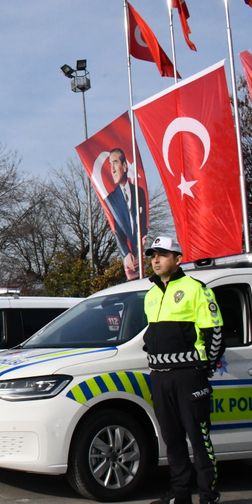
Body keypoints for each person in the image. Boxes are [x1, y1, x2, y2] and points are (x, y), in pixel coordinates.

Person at [143, 236, 224, 504]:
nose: (156, 260)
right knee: (173, 440)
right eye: (153, 255)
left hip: (189, 375)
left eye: (162, 254)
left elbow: (215, 332)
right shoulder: (150, 294)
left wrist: (204, 367)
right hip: (160, 376)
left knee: (199, 439)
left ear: (178, 259)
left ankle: (208, 496)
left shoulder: (196, 288)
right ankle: (180, 495)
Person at [105, 148, 149, 280]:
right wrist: (125, 253)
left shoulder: (139, 192)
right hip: (128, 256)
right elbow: (116, 230)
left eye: (115, 163)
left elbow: (143, 223)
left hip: (140, 253)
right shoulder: (111, 199)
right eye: (110, 165)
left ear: (124, 166)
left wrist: (141, 246)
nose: (112, 170)